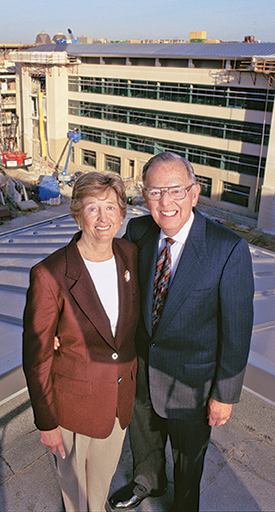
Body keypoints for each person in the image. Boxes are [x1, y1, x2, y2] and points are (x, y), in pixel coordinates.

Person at [108, 152, 254, 512]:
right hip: (142, 366)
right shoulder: (139, 232)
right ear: (144, 195)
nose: (166, 202)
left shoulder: (227, 248)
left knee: (189, 459)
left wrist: (225, 394)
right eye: (155, 192)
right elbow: (106, 277)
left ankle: (185, 505)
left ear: (195, 193)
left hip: (193, 384)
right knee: (143, 436)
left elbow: (237, 330)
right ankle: (148, 482)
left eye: (175, 190)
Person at [23, 172, 140, 512]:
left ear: (122, 213)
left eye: (110, 207)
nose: (103, 218)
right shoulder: (49, 274)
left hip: (118, 396)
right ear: (76, 214)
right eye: (93, 208)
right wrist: (46, 422)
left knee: (101, 480)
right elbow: (37, 356)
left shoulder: (130, 254)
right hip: (72, 405)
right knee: (74, 486)